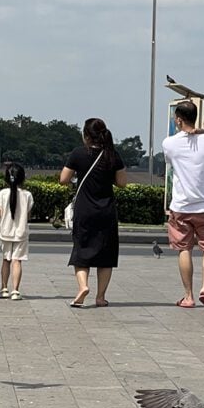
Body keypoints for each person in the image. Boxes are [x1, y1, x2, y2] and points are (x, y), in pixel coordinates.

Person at [162, 102, 204, 310]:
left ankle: (188, 296)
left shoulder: (169, 144)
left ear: (179, 119)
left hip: (181, 206)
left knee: (184, 249)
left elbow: (171, 162)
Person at [60, 118, 127, 308]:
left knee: (81, 249)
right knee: (106, 254)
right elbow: (122, 182)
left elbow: (63, 179)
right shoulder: (113, 155)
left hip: (84, 210)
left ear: (86, 136)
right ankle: (100, 297)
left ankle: (83, 286)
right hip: (106, 210)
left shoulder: (78, 153)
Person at [0, 162, 34, 301]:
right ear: (22, 178)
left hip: (5, 231)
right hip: (21, 232)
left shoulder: (2, 194)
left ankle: (4, 288)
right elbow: (28, 216)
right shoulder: (27, 195)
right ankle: (15, 291)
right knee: (17, 261)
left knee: (6, 260)